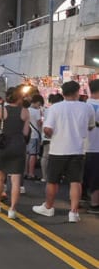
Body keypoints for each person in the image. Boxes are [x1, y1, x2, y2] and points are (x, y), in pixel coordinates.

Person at [33, 80, 96, 222]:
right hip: (78, 149)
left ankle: (48, 207)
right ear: (77, 92)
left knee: (52, 181)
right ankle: (73, 212)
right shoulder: (87, 108)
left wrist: (49, 132)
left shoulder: (55, 108)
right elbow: (91, 126)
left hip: (58, 150)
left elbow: (48, 129)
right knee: (75, 181)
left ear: (62, 92)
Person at [0, 86, 30, 220]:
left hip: (4, 146)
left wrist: (1, 131)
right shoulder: (25, 111)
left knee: (0, 176)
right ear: (19, 98)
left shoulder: (1, 109)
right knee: (16, 179)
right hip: (19, 146)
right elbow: (25, 132)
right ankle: (12, 209)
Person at [85, 78, 99, 214]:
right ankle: (95, 204)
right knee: (96, 177)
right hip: (97, 147)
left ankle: (79, 201)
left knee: (82, 176)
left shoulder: (84, 106)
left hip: (83, 147)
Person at [24, 93, 44, 180]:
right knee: (33, 154)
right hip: (34, 135)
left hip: (27, 135)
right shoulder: (36, 111)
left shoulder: (26, 110)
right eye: (39, 104)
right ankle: (31, 173)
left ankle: (25, 172)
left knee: (27, 154)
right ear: (37, 102)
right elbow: (39, 124)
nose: (39, 106)